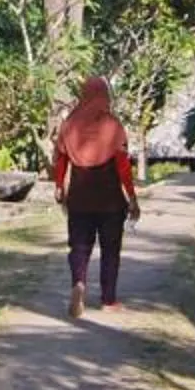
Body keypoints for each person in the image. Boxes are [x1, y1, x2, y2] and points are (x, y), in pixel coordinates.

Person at [50, 76, 141, 319]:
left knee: (79, 247)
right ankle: (108, 299)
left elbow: (60, 161)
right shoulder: (113, 126)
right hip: (110, 200)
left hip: (79, 198)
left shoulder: (70, 125)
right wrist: (132, 197)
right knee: (110, 250)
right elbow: (123, 166)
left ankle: (79, 283)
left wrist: (59, 186)